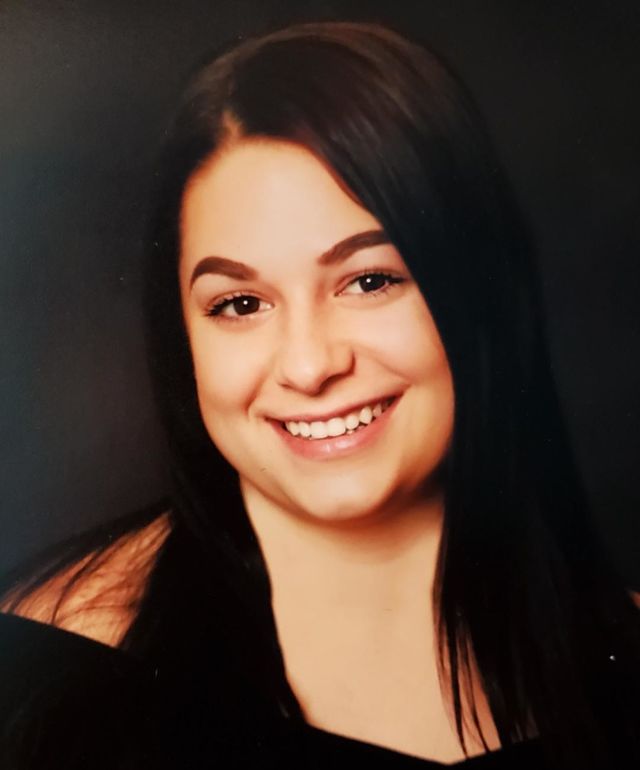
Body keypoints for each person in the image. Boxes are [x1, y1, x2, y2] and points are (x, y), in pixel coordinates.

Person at [0, 20, 638, 769]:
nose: (309, 367)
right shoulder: (51, 669)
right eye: (240, 304)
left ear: (479, 292)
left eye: (369, 281)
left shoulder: (620, 656)